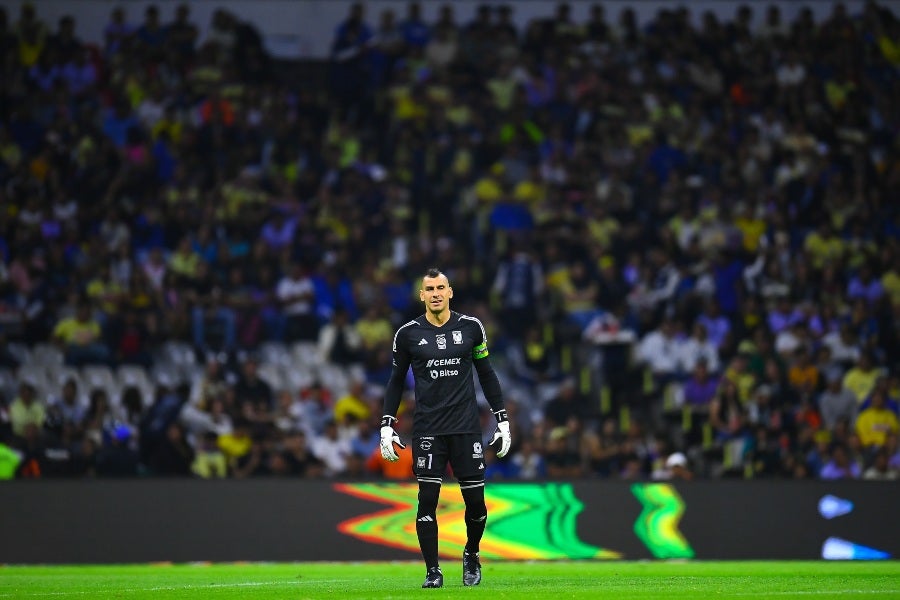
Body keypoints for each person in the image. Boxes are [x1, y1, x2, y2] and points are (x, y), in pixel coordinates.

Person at [379, 268, 511, 588]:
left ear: (450, 291)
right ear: (421, 296)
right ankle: (433, 571)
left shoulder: (471, 328)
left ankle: (471, 554)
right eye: (429, 289)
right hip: (428, 430)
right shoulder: (407, 334)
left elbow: (487, 374)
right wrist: (386, 425)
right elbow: (396, 381)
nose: (436, 293)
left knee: (476, 505)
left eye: (441, 287)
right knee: (427, 501)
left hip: (466, 428)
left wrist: (502, 419)